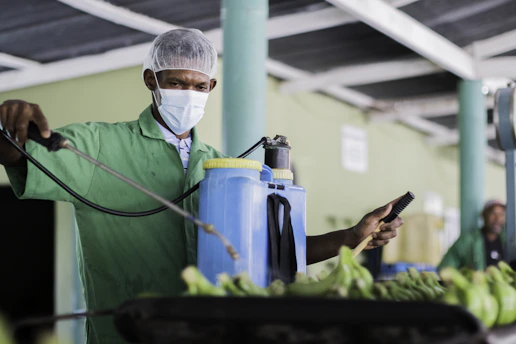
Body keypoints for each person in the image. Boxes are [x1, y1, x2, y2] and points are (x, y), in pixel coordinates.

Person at [0, 29, 404, 344]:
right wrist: (9, 125)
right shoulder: (99, 146)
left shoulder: (225, 169)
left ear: (211, 88)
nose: (187, 94)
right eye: (175, 83)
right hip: (127, 335)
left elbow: (273, 253)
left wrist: (352, 235)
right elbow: (20, 153)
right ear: (150, 80)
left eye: (198, 85)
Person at [438, 200, 506, 271]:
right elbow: (444, 267)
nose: (498, 218)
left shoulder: (507, 241)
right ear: (483, 215)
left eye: (501, 214)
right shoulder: (467, 240)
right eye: (493, 213)